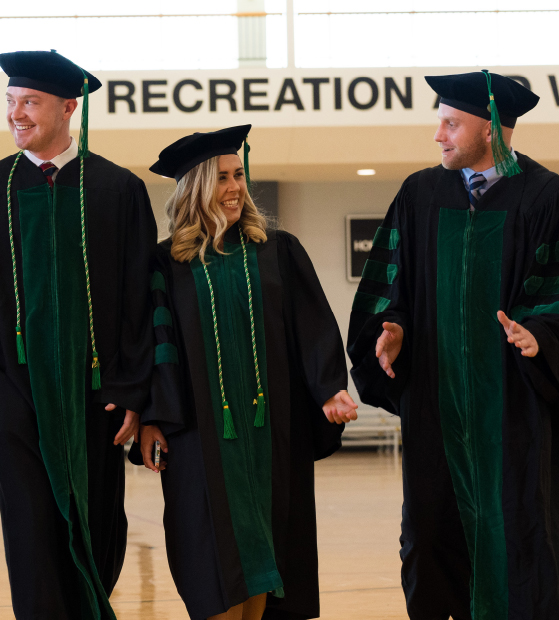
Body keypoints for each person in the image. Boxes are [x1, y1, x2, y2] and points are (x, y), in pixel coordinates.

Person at [347, 71, 559, 620]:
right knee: (431, 537)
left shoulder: (551, 197)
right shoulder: (419, 194)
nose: (437, 135)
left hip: (515, 411)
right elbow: (391, 285)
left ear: (489, 127)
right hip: (436, 409)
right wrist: (393, 327)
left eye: (450, 124)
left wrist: (541, 335)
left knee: (525, 532)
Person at [0, 50, 156, 618]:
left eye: (30, 102)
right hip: (12, 389)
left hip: (97, 391)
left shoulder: (118, 189)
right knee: (30, 529)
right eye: (11, 102)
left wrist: (134, 392)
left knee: (98, 521)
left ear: (69, 108)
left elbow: (140, 300)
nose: (16, 113)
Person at [138, 125, 356, 620]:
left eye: (239, 175)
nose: (235, 187)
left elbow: (312, 328)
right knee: (209, 561)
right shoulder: (165, 264)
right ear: (195, 187)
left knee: (265, 552)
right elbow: (155, 346)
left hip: (270, 434)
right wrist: (152, 417)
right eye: (221, 178)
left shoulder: (278, 250)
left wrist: (329, 389)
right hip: (198, 438)